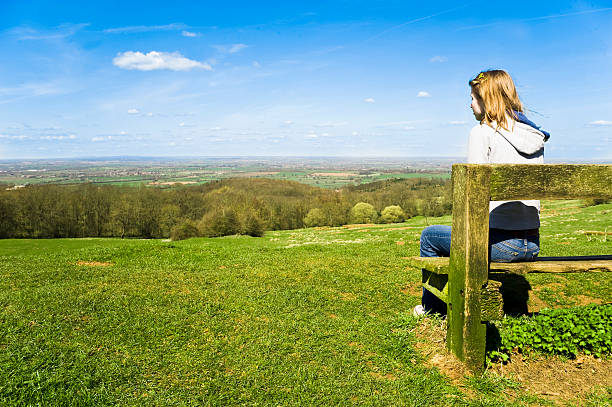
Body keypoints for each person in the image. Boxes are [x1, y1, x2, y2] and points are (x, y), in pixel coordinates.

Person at [414, 69, 549, 316]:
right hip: (532, 244)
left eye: (474, 98)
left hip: (502, 245)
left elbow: (471, 198)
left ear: (487, 99)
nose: (470, 104)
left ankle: (433, 309)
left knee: (429, 236)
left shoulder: (483, 132)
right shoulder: (535, 136)